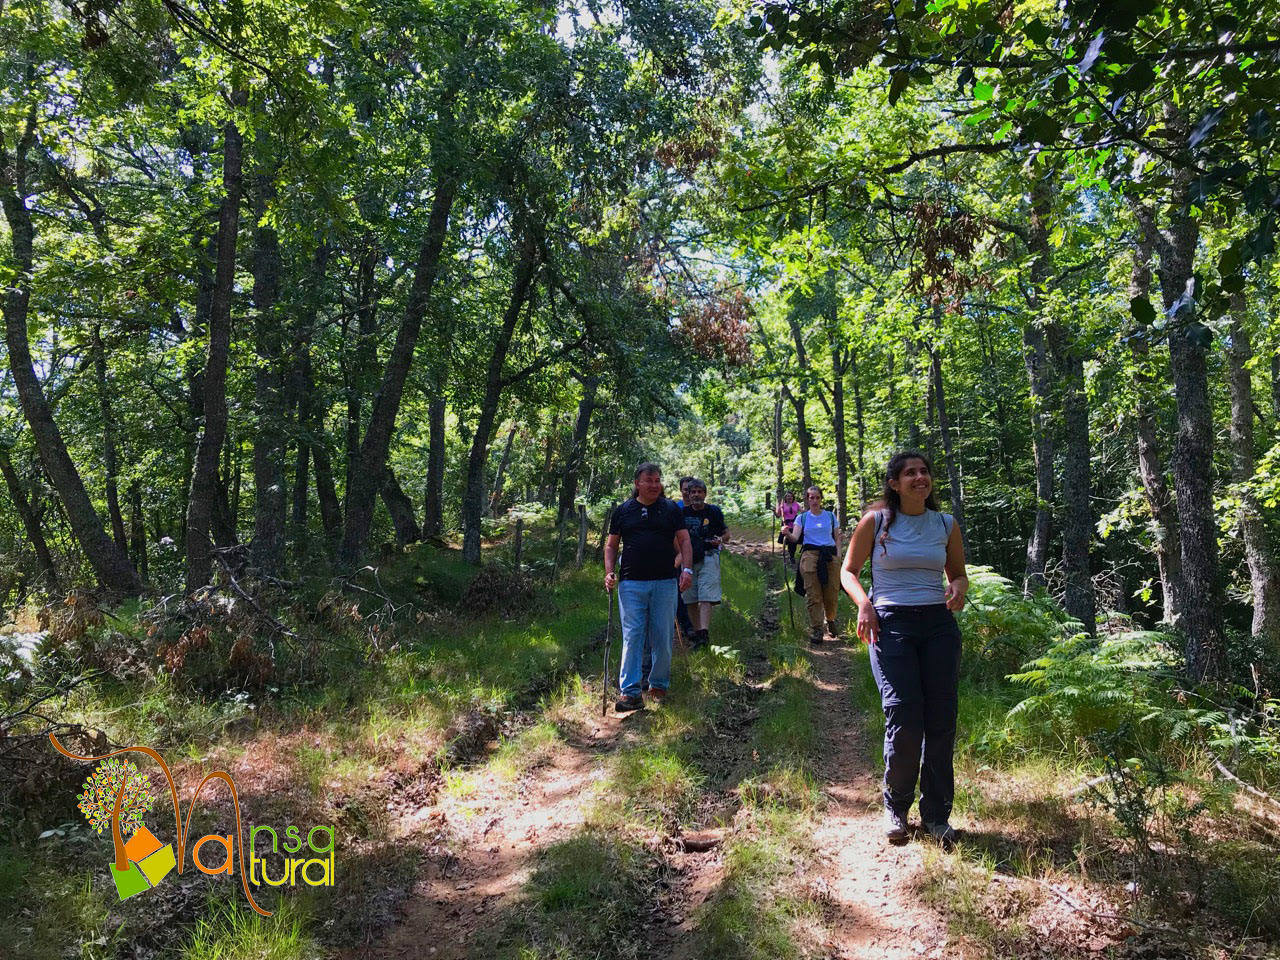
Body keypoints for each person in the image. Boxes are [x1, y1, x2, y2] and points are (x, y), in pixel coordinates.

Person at [839, 451, 969, 846]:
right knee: (904, 716)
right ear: (894, 483)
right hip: (890, 625)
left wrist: (958, 590)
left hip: (937, 626)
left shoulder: (945, 524)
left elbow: (959, 575)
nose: (920, 478)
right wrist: (865, 604)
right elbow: (848, 571)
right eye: (910, 473)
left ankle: (936, 816)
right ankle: (896, 806)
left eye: (924, 471)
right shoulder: (876, 522)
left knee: (941, 720)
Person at [604, 463, 694, 712]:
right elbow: (611, 545)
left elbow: (684, 540)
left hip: (665, 582)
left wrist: (687, 569)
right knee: (633, 636)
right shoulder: (623, 511)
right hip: (631, 583)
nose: (655, 485)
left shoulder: (670, 509)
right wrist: (609, 572)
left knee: (662, 636)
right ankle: (631, 692)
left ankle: (658, 685)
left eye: (658, 480)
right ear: (637, 484)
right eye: (649, 481)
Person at [782, 486, 842, 645]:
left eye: (817, 498)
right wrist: (786, 533)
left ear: (821, 499)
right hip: (809, 555)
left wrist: (839, 554)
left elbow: (837, 537)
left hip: (829, 555)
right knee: (814, 594)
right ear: (807, 500)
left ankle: (830, 620)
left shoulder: (830, 516)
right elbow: (795, 537)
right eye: (811, 498)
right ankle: (817, 628)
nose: (814, 501)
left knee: (832, 592)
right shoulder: (801, 518)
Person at [680, 478, 729, 649]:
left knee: (706, 596)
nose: (696, 495)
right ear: (688, 494)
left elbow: (726, 533)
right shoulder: (682, 513)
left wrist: (720, 540)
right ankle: (697, 631)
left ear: (705, 494)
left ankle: (704, 633)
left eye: (699, 492)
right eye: (693, 492)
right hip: (688, 559)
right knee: (690, 598)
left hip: (709, 555)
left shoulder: (714, 511)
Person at [673, 477, 697, 643]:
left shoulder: (701, 508)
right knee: (676, 594)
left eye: (691, 489)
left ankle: (690, 627)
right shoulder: (674, 508)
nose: (688, 493)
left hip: (689, 554)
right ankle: (686, 626)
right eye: (685, 489)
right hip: (673, 556)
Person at [775, 490, 801, 565]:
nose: (789, 498)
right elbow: (778, 515)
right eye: (788, 496)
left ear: (793, 497)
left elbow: (802, 512)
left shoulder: (796, 504)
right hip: (786, 524)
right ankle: (790, 555)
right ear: (785, 498)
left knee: (793, 541)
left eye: (791, 496)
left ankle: (792, 556)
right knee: (788, 541)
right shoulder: (783, 505)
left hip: (795, 525)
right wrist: (774, 511)